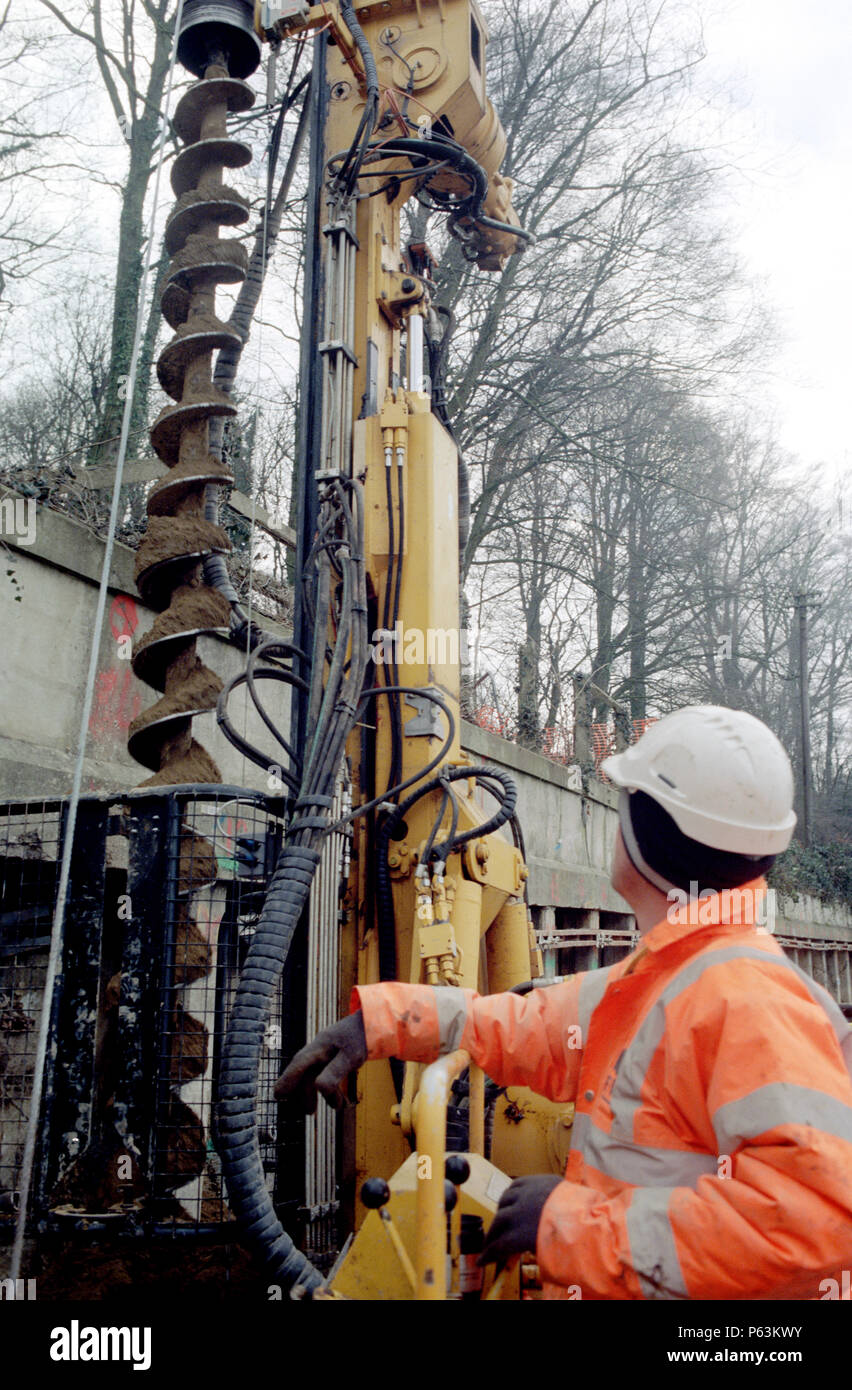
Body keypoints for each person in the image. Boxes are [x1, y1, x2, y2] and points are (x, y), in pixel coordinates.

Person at [275, 706, 852, 1300]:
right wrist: (378, 1024)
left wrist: (567, 1223)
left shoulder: (747, 999)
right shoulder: (672, 974)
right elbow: (527, 1025)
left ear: (650, 834)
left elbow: (812, 1223)